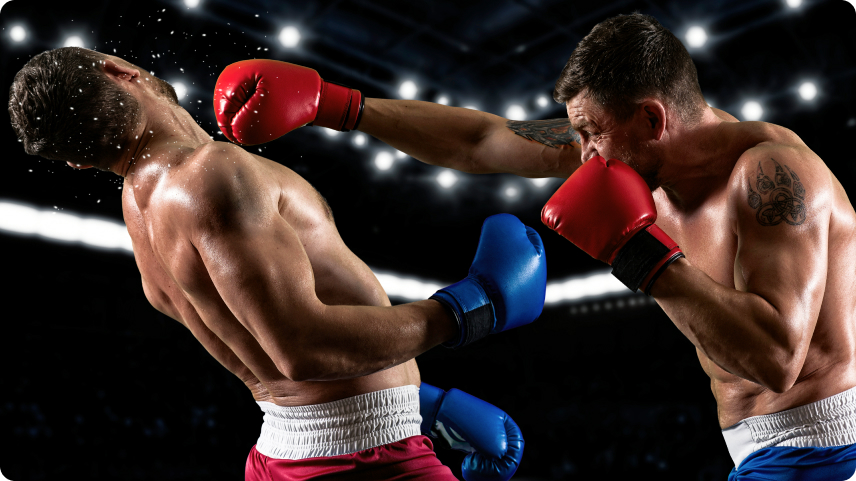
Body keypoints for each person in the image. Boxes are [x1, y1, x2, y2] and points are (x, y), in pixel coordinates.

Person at [217, 12, 856, 480]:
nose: (584, 156)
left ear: (652, 119)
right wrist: (337, 105)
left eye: (590, 133)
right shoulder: (632, 156)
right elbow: (483, 141)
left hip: (824, 447)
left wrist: (638, 253)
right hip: (766, 450)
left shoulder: (771, 176)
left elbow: (778, 360)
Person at [7, 47, 548, 481]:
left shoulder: (140, 212)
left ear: (78, 160)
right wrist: (471, 308)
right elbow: (302, 348)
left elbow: (265, 354)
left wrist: (411, 400)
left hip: (293, 452)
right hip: (365, 463)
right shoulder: (209, 172)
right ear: (120, 68)